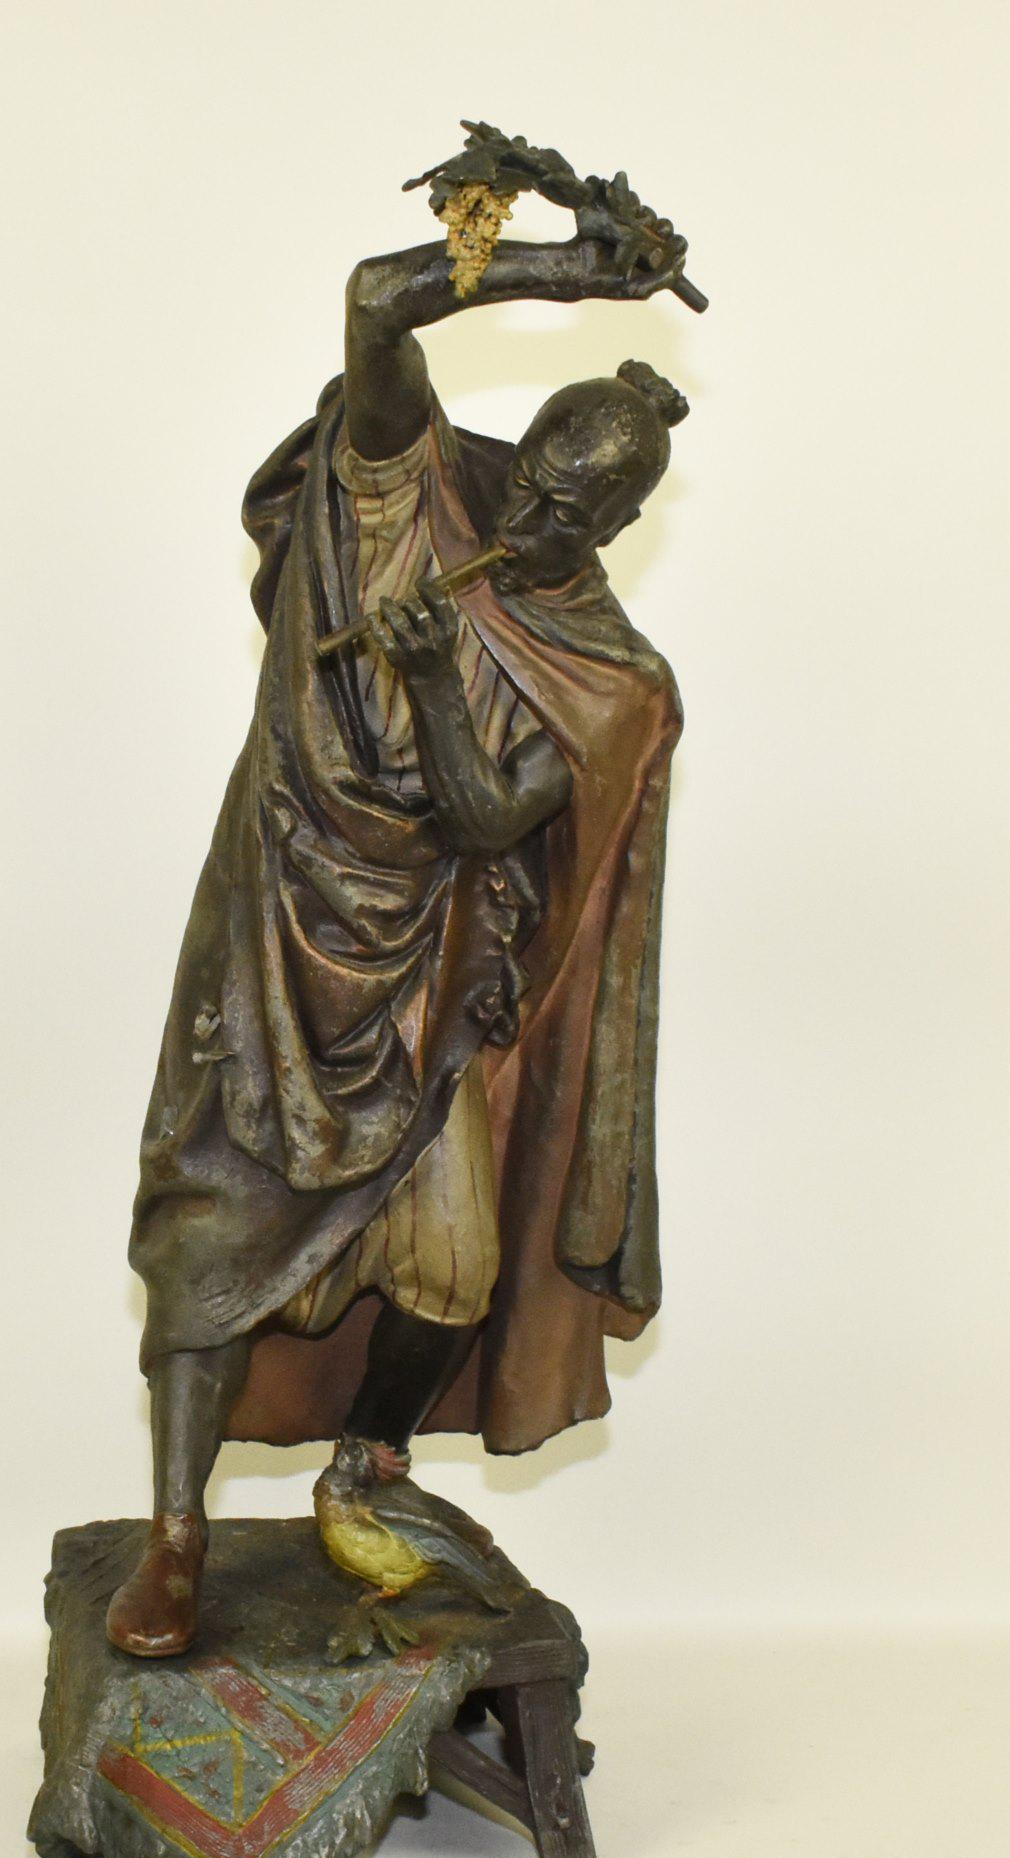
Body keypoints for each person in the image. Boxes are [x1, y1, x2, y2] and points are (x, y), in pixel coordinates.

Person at [107, 208, 689, 1656]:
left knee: (456, 1267)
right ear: (517, 452)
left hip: (428, 980)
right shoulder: (412, 494)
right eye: (532, 487)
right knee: (212, 1234)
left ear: (619, 528)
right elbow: (377, 301)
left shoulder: (610, 675)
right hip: (276, 937)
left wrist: (434, 684)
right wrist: (563, 271)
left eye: (571, 518)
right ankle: (175, 1539)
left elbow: (491, 822)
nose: (532, 528)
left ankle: (366, 1462)